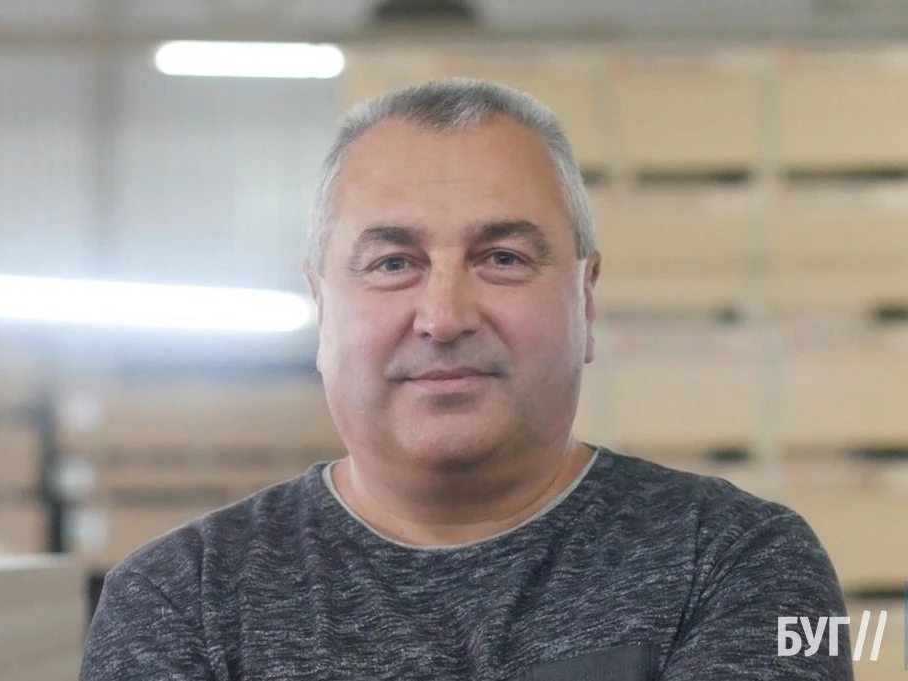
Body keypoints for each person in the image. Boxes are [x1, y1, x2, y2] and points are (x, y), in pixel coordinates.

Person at [80, 78, 852, 680]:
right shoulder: (178, 598)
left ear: (584, 298)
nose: (444, 316)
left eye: (502, 258)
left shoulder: (744, 563)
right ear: (322, 306)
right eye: (393, 263)